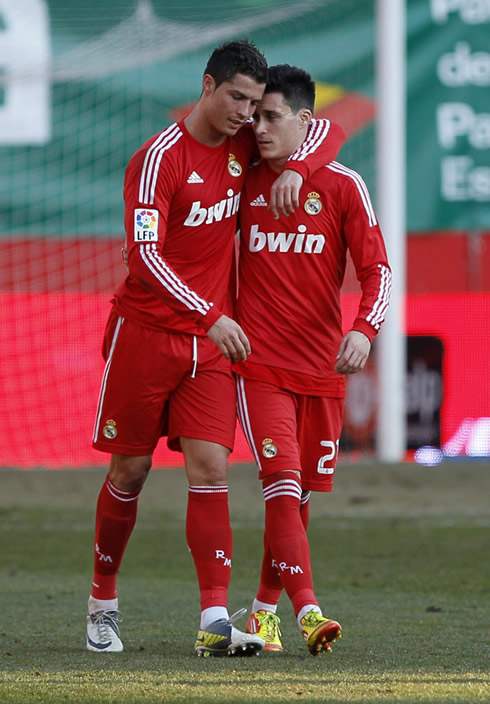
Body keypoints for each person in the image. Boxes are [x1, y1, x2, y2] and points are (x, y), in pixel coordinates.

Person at [87, 42, 346, 657]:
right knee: (132, 469)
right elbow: (145, 257)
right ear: (207, 85)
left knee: (211, 469)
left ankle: (213, 620)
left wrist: (297, 170)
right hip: (148, 335)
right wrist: (210, 313)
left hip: (209, 348)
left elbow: (326, 129)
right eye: (236, 99)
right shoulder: (158, 159)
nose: (247, 117)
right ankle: (102, 602)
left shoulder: (244, 148)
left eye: (257, 106)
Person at [232, 64, 392, 655]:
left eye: (273, 116)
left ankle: (261, 614)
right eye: (256, 116)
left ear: (305, 120)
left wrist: (365, 330)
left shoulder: (344, 186)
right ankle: (310, 612)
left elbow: (379, 270)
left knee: (298, 502)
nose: (259, 126)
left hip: (324, 369)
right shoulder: (241, 173)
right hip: (259, 363)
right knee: (280, 484)